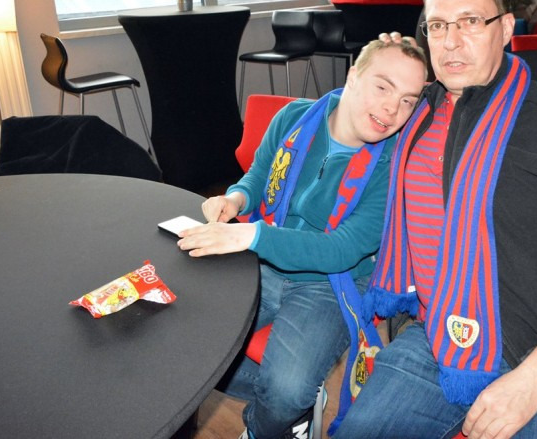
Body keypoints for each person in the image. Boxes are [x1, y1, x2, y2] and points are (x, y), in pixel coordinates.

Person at [335, 0, 537, 439]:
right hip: (438, 335)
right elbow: (343, 117)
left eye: (471, 21)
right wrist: (384, 63)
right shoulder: (414, 110)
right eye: (438, 25)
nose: (451, 41)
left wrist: (534, 376)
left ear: (507, 29)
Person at [177, 39, 428, 439]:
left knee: (286, 391)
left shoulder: (395, 165)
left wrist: (251, 234)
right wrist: (235, 199)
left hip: (332, 283)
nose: (391, 109)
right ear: (353, 77)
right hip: (265, 260)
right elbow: (259, 176)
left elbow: (340, 249)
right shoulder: (293, 117)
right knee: (194, 350)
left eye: (407, 101)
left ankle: (274, 418)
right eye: (383, 86)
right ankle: (297, 406)